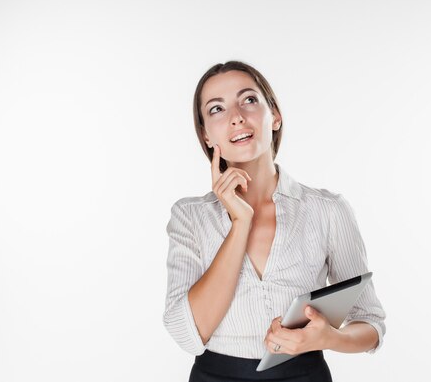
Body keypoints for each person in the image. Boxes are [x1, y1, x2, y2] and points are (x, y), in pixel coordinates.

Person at [164, 60, 386, 381]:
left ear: (275, 116)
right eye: (216, 109)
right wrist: (240, 223)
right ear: (206, 135)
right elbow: (187, 334)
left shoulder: (328, 210)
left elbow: (371, 323)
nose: (237, 116)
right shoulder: (189, 216)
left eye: (249, 100)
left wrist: (328, 338)